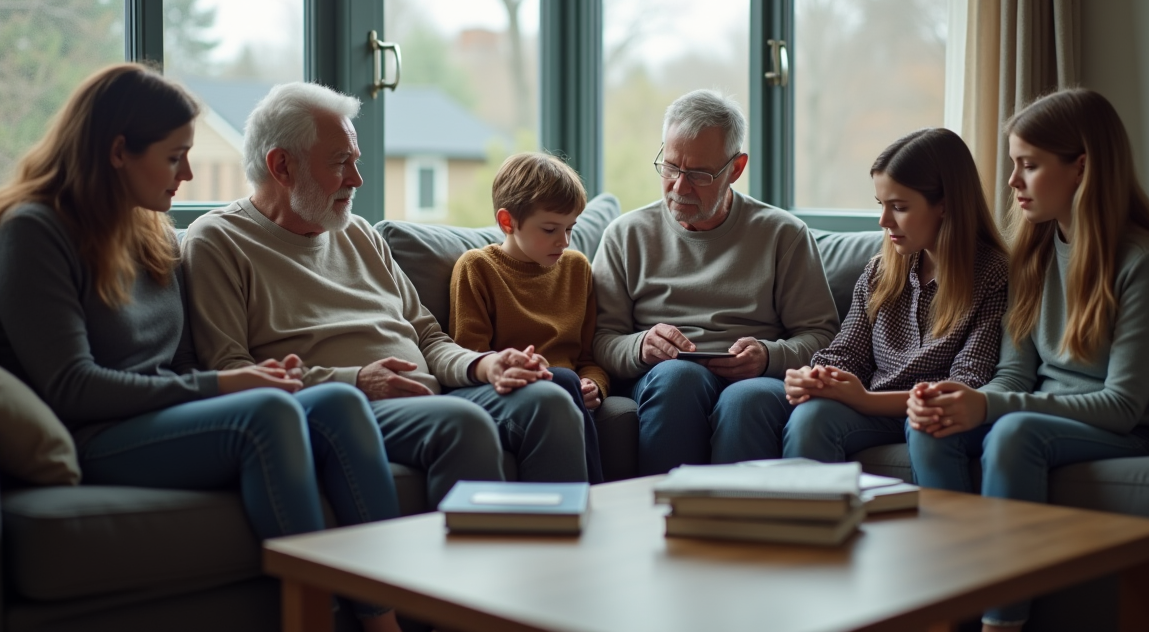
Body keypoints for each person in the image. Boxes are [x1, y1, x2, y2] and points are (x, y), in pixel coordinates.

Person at [0, 64, 402, 631]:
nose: (185, 173)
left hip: (164, 414)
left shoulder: (148, 228)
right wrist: (224, 385)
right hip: (96, 434)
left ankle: (385, 620)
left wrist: (244, 378)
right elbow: (71, 387)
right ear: (117, 152)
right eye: (173, 155)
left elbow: (179, 357)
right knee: (267, 415)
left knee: (338, 402)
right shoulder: (32, 231)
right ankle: (314, 622)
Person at [182, 82, 588, 506]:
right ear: (282, 167)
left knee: (549, 400)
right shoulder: (218, 241)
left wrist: (484, 366)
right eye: (341, 163)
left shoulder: (358, 233)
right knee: (460, 423)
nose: (357, 179)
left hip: (433, 394)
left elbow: (428, 338)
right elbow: (231, 369)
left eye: (355, 161)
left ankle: (559, 562)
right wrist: (356, 381)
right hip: (345, 412)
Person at [906, 88, 1149, 632]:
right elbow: (1014, 372)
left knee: (1014, 433)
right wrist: (961, 400)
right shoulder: (1032, 252)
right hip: (1039, 413)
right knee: (932, 426)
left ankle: (1001, 624)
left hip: (1122, 430)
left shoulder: (1144, 263)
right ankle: (952, 607)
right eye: (1014, 165)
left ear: (1081, 168)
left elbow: (1125, 404)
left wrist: (989, 408)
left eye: (1028, 166)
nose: (1011, 182)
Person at [592, 89, 840, 475]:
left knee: (747, 399)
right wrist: (642, 346)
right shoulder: (626, 235)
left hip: (756, 382)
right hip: (664, 379)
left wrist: (768, 356)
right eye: (671, 167)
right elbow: (601, 339)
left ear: (736, 169)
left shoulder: (782, 235)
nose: (679, 187)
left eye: (699, 175)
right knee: (679, 377)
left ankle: (737, 529)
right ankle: (665, 519)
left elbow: (823, 336)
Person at [781, 128, 1008, 463]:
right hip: (873, 409)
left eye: (899, 207)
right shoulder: (880, 272)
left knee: (929, 423)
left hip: (930, 412)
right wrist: (818, 377)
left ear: (944, 206)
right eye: (881, 204)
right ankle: (816, 516)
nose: (884, 220)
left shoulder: (993, 275)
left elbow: (967, 383)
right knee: (810, 417)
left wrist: (864, 400)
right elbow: (847, 354)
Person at [448, 152, 606, 484]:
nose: (563, 241)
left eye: (570, 228)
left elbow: (589, 357)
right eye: (550, 229)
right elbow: (469, 357)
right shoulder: (477, 267)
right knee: (561, 379)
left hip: (564, 389)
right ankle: (591, 498)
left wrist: (595, 385)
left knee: (566, 380)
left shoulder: (577, 268)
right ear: (508, 222)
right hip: (501, 389)